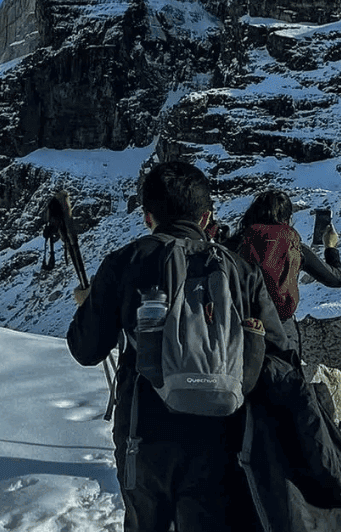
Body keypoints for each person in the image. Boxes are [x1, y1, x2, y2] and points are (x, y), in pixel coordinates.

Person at [66, 160, 288, 532]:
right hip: (225, 438)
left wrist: (88, 303)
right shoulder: (239, 269)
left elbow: (85, 349)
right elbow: (280, 354)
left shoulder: (126, 262)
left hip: (146, 437)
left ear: (148, 217)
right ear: (206, 218)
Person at [227, 189, 341, 358]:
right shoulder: (294, 247)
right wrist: (330, 248)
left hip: (240, 328)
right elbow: (336, 278)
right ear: (287, 219)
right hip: (281, 331)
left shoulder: (234, 244)